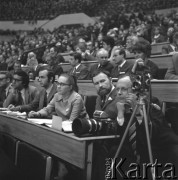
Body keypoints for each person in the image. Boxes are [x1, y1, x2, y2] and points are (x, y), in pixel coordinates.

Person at [28, 73, 88, 180]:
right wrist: (37, 114)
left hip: (78, 131)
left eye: (62, 84)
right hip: (62, 128)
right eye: (58, 83)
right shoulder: (57, 96)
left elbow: (72, 121)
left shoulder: (77, 98)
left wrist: (59, 125)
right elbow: (47, 109)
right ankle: (57, 168)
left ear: (70, 87)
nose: (59, 86)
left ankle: (63, 169)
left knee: (54, 140)